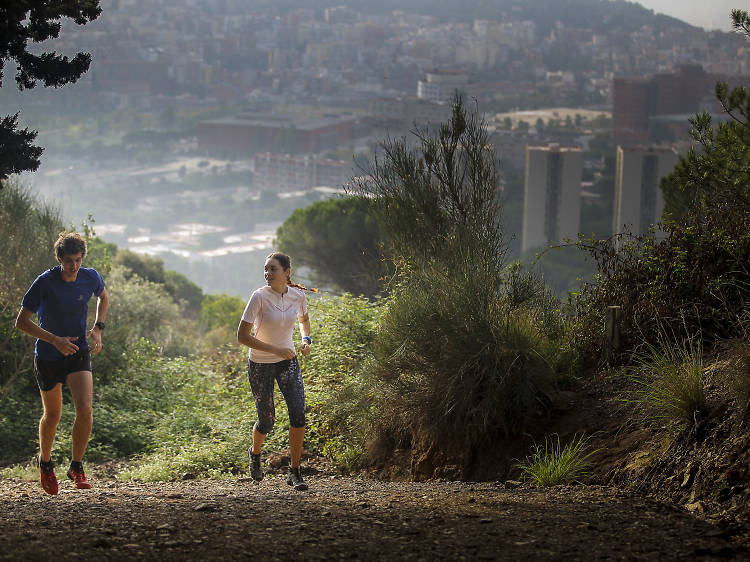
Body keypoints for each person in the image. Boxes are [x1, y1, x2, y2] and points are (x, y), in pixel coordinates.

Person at [15, 232, 108, 495]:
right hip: (48, 356)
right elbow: (21, 322)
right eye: (69, 260)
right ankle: (45, 463)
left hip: (78, 350)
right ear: (59, 258)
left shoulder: (90, 277)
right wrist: (55, 340)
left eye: (78, 260)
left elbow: (104, 297)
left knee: (85, 409)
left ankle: (76, 466)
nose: (74, 266)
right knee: (53, 415)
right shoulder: (45, 282)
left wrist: (98, 328)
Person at [237, 252, 313, 491]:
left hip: (287, 360)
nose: (268, 273)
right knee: (267, 421)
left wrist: (306, 340)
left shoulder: (297, 296)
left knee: (298, 414)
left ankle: (295, 471)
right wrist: (275, 349)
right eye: (266, 269)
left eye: (273, 269)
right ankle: (255, 453)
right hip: (260, 363)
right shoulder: (258, 297)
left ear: (287, 272)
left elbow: (304, 320)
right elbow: (242, 337)